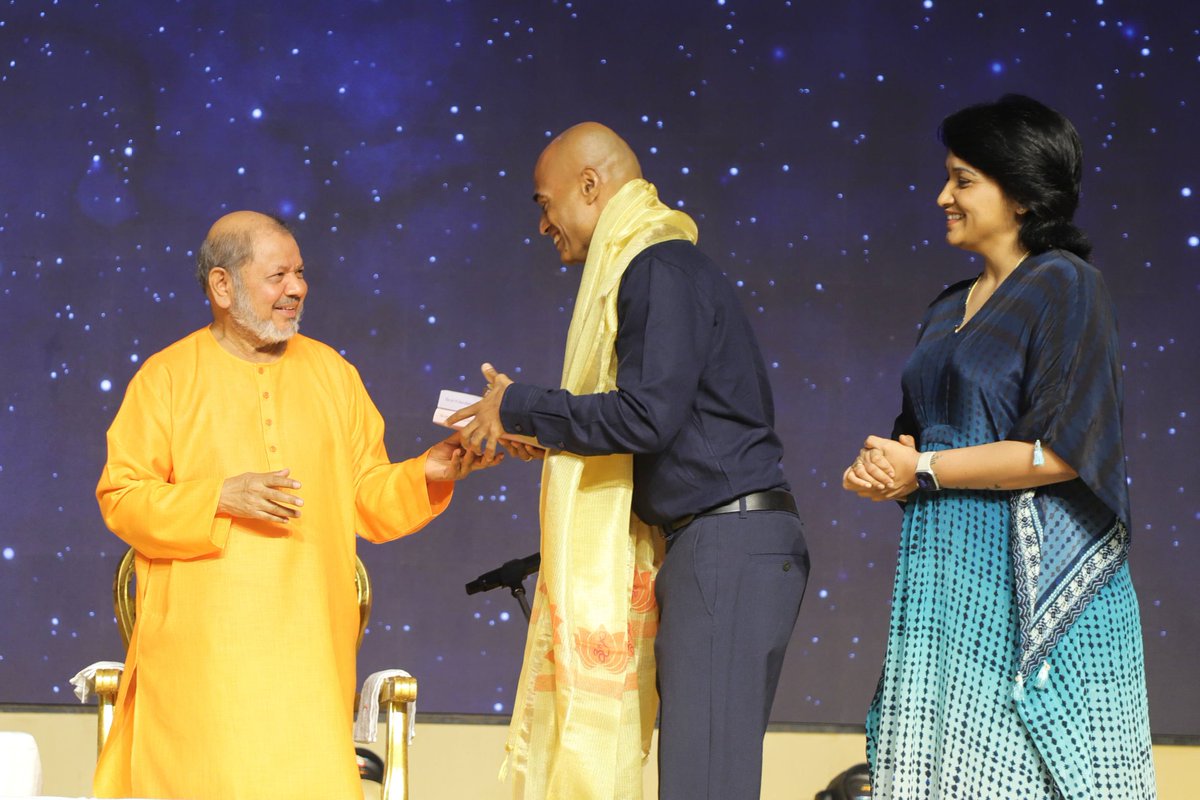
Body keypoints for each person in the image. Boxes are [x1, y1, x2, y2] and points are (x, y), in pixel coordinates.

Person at [449, 122, 809, 800]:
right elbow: (659, 419)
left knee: (704, 784)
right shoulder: (651, 267)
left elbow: (646, 415)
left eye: (542, 202)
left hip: (728, 545)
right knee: (698, 779)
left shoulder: (656, 266)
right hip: (715, 545)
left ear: (590, 186)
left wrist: (524, 405)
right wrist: (550, 436)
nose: (541, 224)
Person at [93, 211, 495, 799]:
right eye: (278, 275)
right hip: (203, 663)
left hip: (308, 654)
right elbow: (122, 499)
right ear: (222, 287)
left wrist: (428, 471)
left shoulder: (333, 374)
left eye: (300, 274)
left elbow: (367, 500)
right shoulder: (167, 378)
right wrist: (217, 497)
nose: (297, 289)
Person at [843, 95, 1156, 799]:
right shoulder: (947, 306)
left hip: (1026, 569)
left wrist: (923, 468)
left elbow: (1060, 451)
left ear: (1017, 191)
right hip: (943, 562)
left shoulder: (1065, 286)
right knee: (938, 762)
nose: (942, 197)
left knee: (1013, 768)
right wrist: (885, 467)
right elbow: (918, 432)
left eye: (962, 180)